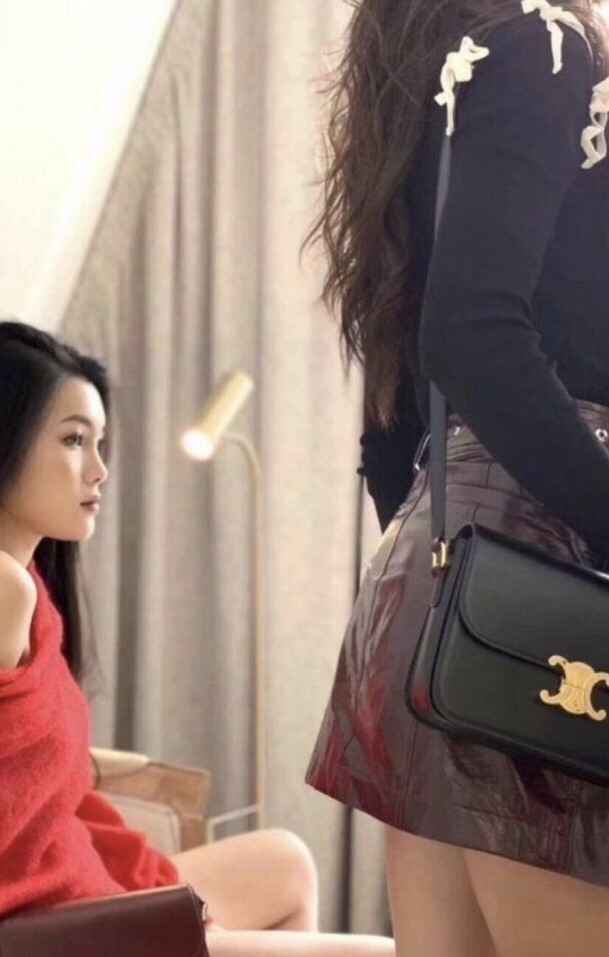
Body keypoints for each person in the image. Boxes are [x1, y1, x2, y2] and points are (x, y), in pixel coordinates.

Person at [304, 2, 609, 956]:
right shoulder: (546, 47)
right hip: (539, 584)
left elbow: (397, 414)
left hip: (446, 584)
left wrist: (452, 579)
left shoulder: (443, 81)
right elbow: (474, 341)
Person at [0, 320, 394, 957]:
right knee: (381, 955)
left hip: (76, 891)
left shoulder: (32, 590)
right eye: (73, 440)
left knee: (285, 862)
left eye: (101, 443)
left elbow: (56, 792)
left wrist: (150, 888)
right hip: (44, 923)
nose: (99, 470)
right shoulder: (4, 589)